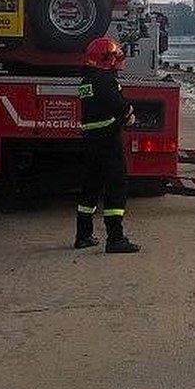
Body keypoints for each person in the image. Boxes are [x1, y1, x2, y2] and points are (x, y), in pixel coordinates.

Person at [74, 37, 140, 253]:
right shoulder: (106, 80)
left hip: (91, 140)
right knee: (116, 187)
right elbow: (117, 104)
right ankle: (115, 239)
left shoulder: (86, 81)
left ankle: (83, 235)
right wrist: (129, 112)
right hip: (108, 139)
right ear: (107, 58)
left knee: (90, 186)